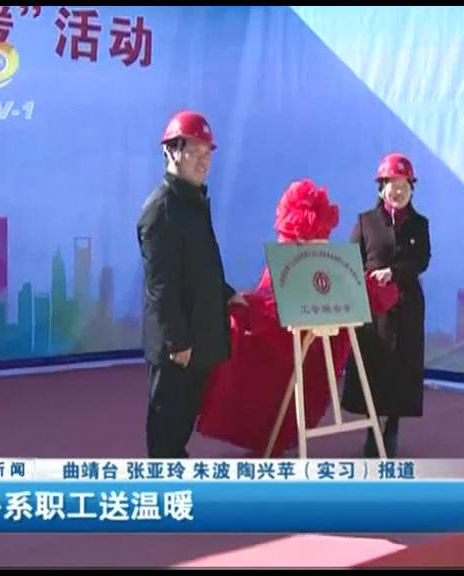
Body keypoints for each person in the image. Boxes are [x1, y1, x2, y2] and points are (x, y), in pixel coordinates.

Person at [196, 179, 400, 456]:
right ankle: (270, 435)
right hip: (287, 341)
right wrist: (249, 310)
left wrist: (370, 287)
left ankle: (277, 435)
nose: (313, 241)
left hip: (311, 342)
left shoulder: (326, 260)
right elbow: (270, 299)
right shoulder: (286, 261)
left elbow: (347, 286)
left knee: (292, 385)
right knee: (267, 380)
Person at [137, 110, 246, 458]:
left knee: (181, 425)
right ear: (171, 151)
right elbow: (161, 285)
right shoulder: (161, 210)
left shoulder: (193, 202)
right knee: (166, 431)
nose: (203, 161)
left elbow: (198, 267)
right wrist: (178, 342)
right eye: (194, 152)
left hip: (197, 338)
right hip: (178, 348)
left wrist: (227, 294)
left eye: (207, 153)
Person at [341, 152, 431, 458]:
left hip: (406, 306)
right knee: (372, 367)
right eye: (392, 185)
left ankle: (392, 428)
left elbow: (422, 260)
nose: (398, 191)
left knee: (401, 369)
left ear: (412, 189)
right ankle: (371, 429)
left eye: (404, 185)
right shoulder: (365, 221)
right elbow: (351, 260)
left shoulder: (419, 224)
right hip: (373, 310)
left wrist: (394, 272)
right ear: (381, 188)